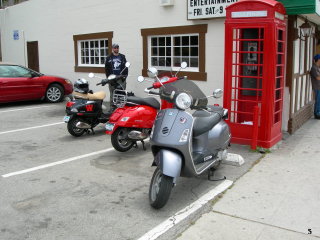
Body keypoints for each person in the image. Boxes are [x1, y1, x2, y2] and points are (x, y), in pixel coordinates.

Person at [104, 43, 128, 111]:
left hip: (121, 78)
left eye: (117, 48)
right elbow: (106, 69)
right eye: (115, 48)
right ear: (112, 49)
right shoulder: (109, 57)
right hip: (112, 78)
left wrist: (124, 77)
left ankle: (121, 107)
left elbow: (126, 67)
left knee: (121, 93)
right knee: (112, 93)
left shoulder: (122, 57)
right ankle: (112, 107)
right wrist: (109, 78)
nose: (116, 49)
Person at [310, 54, 320, 119]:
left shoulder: (317, 67)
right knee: (318, 100)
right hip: (317, 87)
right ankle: (317, 114)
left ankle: (318, 112)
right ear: (318, 60)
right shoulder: (314, 68)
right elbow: (318, 77)